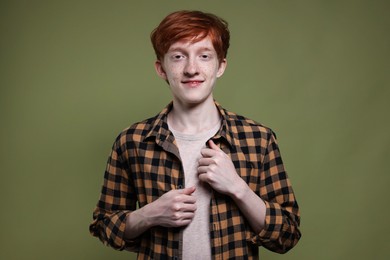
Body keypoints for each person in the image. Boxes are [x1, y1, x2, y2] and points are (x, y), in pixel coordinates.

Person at [89, 10, 301, 259]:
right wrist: (149, 214)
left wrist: (238, 188)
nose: (191, 68)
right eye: (178, 57)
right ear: (162, 69)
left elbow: (287, 235)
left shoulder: (259, 139)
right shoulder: (132, 141)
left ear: (220, 66)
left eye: (204, 56)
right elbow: (104, 226)